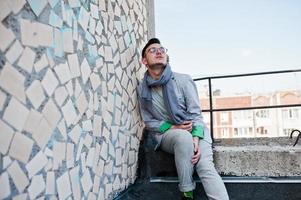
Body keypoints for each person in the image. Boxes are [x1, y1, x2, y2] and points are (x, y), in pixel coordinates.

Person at [137, 38, 229, 200]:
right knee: (181, 136)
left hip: (195, 130)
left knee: (204, 165)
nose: (159, 52)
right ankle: (187, 193)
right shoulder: (142, 89)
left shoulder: (183, 80)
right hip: (167, 135)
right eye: (152, 50)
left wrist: (195, 138)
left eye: (162, 49)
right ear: (144, 61)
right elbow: (149, 121)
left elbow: (196, 115)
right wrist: (173, 128)